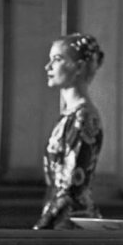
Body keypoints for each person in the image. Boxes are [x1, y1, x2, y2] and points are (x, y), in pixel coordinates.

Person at [33, 32, 104, 230]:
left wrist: (42, 227)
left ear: (79, 67)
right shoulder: (70, 116)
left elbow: (71, 188)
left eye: (56, 59)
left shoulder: (83, 118)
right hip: (60, 219)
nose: (48, 67)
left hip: (71, 222)